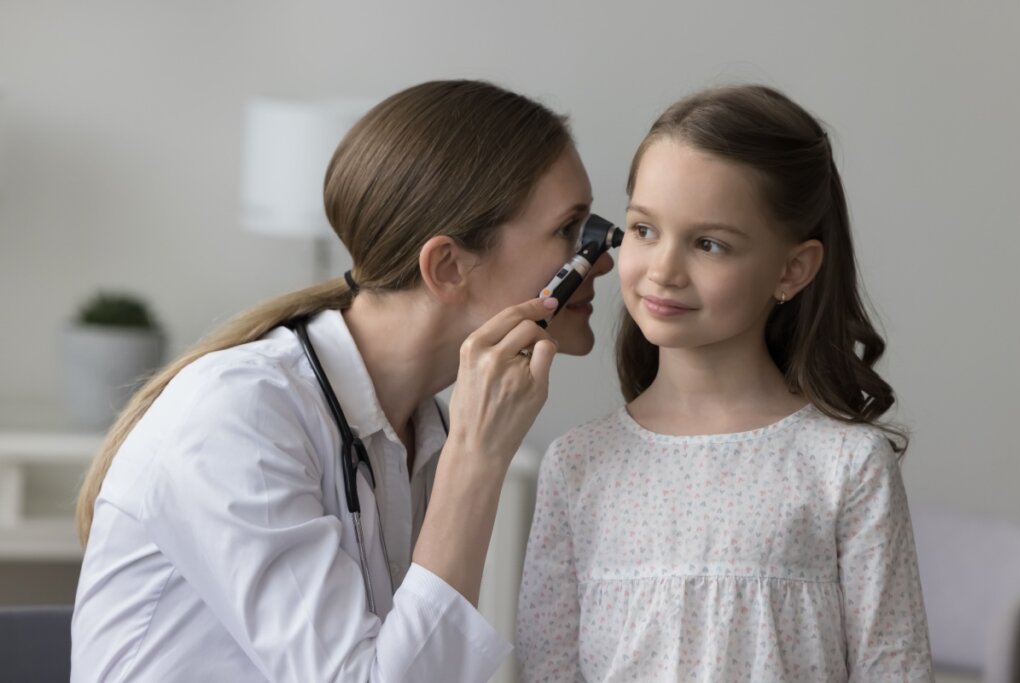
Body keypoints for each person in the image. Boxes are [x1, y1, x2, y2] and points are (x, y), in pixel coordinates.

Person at [70, 79, 613, 682]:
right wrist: (476, 459)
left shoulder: (420, 429)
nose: (601, 258)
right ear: (448, 266)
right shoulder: (241, 415)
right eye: (570, 231)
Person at [517, 84, 933, 682]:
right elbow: (548, 669)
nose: (663, 270)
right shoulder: (577, 464)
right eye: (643, 230)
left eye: (709, 244)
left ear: (793, 269)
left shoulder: (847, 467)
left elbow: (894, 669)